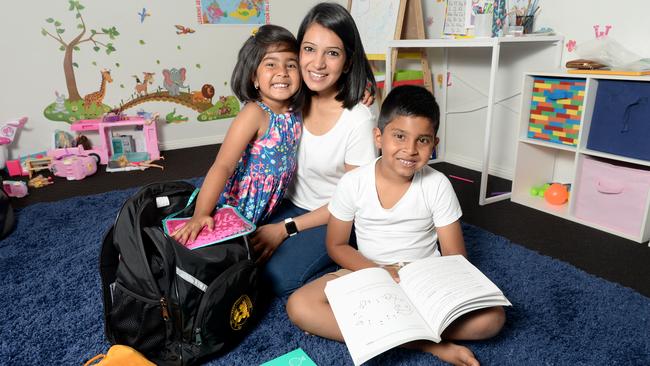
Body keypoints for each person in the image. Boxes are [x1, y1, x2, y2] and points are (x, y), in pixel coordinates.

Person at [285, 85, 506, 366]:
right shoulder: (353, 182)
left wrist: (424, 285)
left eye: (422, 140)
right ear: (379, 136)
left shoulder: (437, 184)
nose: (410, 150)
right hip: (365, 271)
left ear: (434, 143)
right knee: (299, 305)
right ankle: (426, 343)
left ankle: (384, 329)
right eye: (399, 136)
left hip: (424, 277)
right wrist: (380, 273)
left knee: (493, 319)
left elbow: (456, 256)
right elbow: (336, 244)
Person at [250, 2, 378, 296]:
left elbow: (353, 201)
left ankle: (347, 258)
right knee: (236, 247)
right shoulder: (290, 97)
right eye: (309, 49)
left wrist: (286, 228)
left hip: (336, 216)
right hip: (288, 202)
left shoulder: (357, 119)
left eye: (332, 53)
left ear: (347, 62)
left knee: (274, 279)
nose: (317, 63)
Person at [172, 24, 304, 244]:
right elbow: (223, 165)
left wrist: (363, 89)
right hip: (239, 203)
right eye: (271, 64)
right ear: (254, 77)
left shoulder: (296, 109)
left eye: (291, 65)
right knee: (213, 247)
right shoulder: (255, 113)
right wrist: (201, 214)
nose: (282, 72)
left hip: (271, 203)